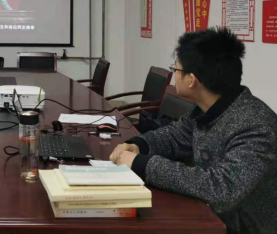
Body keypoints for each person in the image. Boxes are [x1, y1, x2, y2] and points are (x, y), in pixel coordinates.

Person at [110, 27, 277, 234]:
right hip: (212, 217)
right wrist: (138, 145)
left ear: (192, 80)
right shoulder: (210, 108)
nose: (174, 75)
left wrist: (142, 164)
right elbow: (174, 136)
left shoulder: (256, 126)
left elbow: (221, 188)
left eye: (176, 69)